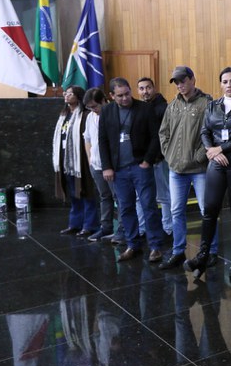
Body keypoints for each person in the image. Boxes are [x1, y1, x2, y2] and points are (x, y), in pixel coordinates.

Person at [184, 67, 231, 278]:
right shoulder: (213, 105)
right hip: (216, 159)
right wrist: (211, 151)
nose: (228, 85)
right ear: (220, 84)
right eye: (225, 81)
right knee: (210, 208)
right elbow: (205, 131)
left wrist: (220, 149)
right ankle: (202, 256)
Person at [98, 77, 166, 263]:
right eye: (120, 96)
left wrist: (147, 161)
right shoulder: (107, 111)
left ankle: (155, 246)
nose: (125, 98)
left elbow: (156, 137)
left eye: (127, 94)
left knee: (148, 206)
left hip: (140, 166)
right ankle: (132, 245)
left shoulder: (144, 108)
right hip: (118, 170)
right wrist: (107, 167)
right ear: (112, 96)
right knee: (126, 208)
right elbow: (102, 140)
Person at [158, 66, 214, 270]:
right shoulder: (172, 105)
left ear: (193, 79)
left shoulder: (206, 103)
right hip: (176, 169)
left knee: (206, 210)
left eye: (183, 81)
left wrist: (200, 156)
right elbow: (163, 132)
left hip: (199, 169)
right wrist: (169, 155)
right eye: (177, 82)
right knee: (176, 210)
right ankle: (178, 251)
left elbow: (212, 132)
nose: (180, 85)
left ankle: (211, 251)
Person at [52, 85, 98, 236]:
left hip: (82, 160)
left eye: (70, 94)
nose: (66, 95)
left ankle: (89, 225)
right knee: (73, 193)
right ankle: (75, 224)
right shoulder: (64, 115)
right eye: (66, 93)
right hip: (67, 161)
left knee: (86, 192)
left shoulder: (85, 115)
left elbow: (89, 138)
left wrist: (89, 157)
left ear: (78, 97)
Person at [136, 77, 173, 237]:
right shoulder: (138, 108)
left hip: (159, 160)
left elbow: (164, 136)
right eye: (141, 88)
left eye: (148, 88)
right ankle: (142, 228)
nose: (145, 91)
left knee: (163, 196)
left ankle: (168, 228)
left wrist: (157, 156)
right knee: (139, 196)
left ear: (154, 88)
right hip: (141, 160)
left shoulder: (163, 108)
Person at [83, 88, 118, 242]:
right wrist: (90, 159)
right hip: (96, 165)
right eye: (89, 107)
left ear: (104, 101)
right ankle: (105, 228)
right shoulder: (90, 117)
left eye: (95, 106)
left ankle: (123, 230)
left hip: (112, 165)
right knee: (104, 196)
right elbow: (87, 139)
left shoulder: (113, 113)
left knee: (118, 197)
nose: (93, 110)